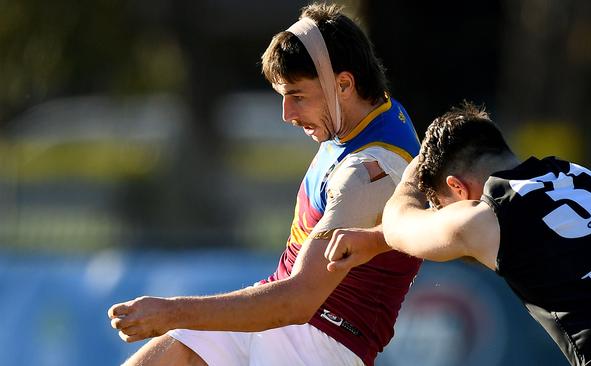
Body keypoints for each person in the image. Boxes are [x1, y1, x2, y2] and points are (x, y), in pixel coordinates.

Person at [107, 3, 422, 366]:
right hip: (285, 317)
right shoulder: (360, 115)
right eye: (283, 96)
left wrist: (171, 312)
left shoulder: (370, 172)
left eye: (297, 96)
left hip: (322, 344)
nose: (287, 114)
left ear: (345, 84)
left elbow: (297, 300)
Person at [325, 102, 591, 366]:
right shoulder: (578, 175)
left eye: (442, 208)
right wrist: (374, 239)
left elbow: (400, 225)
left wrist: (411, 175)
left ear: (457, 187)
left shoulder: (486, 216)